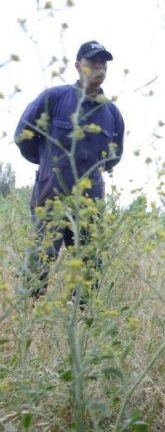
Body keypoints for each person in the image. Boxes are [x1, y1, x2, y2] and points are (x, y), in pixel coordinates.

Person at [15, 40, 125, 298]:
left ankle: (83, 323)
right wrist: (47, 165)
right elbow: (24, 136)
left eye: (103, 63)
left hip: (90, 203)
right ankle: (31, 322)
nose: (99, 67)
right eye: (92, 61)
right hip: (50, 196)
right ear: (78, 65)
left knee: (89, 267)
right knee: (40, 259)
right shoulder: (54, 98)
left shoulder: (112, 113)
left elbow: (113, 157)